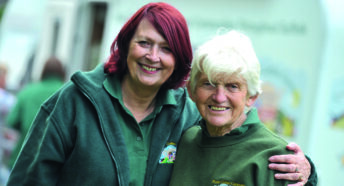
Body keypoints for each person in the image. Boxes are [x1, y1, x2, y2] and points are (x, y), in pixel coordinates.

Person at [7, 2, 316, 186]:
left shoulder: (187, 113)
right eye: (145, 43)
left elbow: (238, 141)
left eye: (166, 48)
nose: (153, 56)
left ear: (178, 59)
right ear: (126, 45)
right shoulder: (75, 101)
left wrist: (307, 171)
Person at [169, 30, 316, 185]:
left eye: (232, 86)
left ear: (251, 97)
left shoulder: (277, 158)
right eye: (209, 84)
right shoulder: (187, 140)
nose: (219, 97)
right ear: (191, 91)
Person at [6, 56, 66, 169]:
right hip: (53, 167)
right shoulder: (68, 94)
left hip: (23, 160)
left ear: (43, 72)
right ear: (62, 73)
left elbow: (12, 120)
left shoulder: (27, 91)